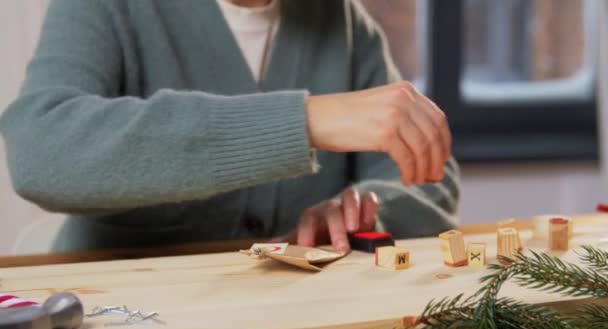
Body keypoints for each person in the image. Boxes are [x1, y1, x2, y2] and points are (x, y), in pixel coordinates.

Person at [0, 0, 460, 253]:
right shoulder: (105, 8)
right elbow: (40, 149)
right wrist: (302, 121)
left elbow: (427, 180)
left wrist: (361, 214)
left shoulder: (343, 20)